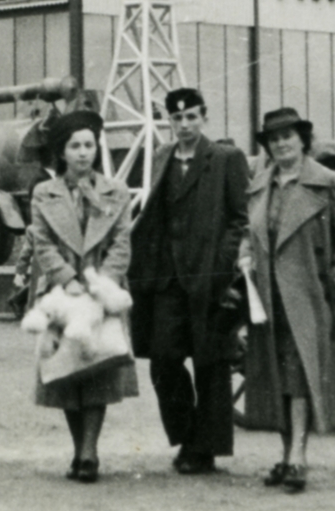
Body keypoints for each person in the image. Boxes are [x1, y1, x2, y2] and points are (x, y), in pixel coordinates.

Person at [240, 108, 335, 493]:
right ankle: (287, 456)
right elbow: (249, 233)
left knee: (299, 375)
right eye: (274, 138)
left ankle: (298, 456)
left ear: (303, 139)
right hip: (267, 300)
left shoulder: (328, 181)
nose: (281, 143)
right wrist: (244, 256)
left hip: (311, 296)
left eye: (288, 136)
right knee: (277, 378)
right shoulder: (258, 185)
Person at [128, 87, 249, 476]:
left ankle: (203, 449)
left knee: (211, 363)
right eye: (176, 118)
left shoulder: (226, 158)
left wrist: (223, 262)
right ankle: (186, 434)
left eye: (191, 117)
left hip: (209, 277)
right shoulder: (163, 155)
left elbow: (240, 217)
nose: (184, 125)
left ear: (204, 116)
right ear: (169, 120)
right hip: (168, 281)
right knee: (163, 360)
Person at [26, 110, 138, 483]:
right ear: (61, 152)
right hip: (61, 293)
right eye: (74, 146)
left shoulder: (115, 191)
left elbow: (122, 242)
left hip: (102, 292)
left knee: (98, 368)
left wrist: (101, 284)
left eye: (89, 145)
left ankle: (89, 452)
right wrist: (67, 278)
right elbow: (42, 243)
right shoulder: (44, 193)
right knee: (65, 372)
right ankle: (79, 450)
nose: (83, 153)